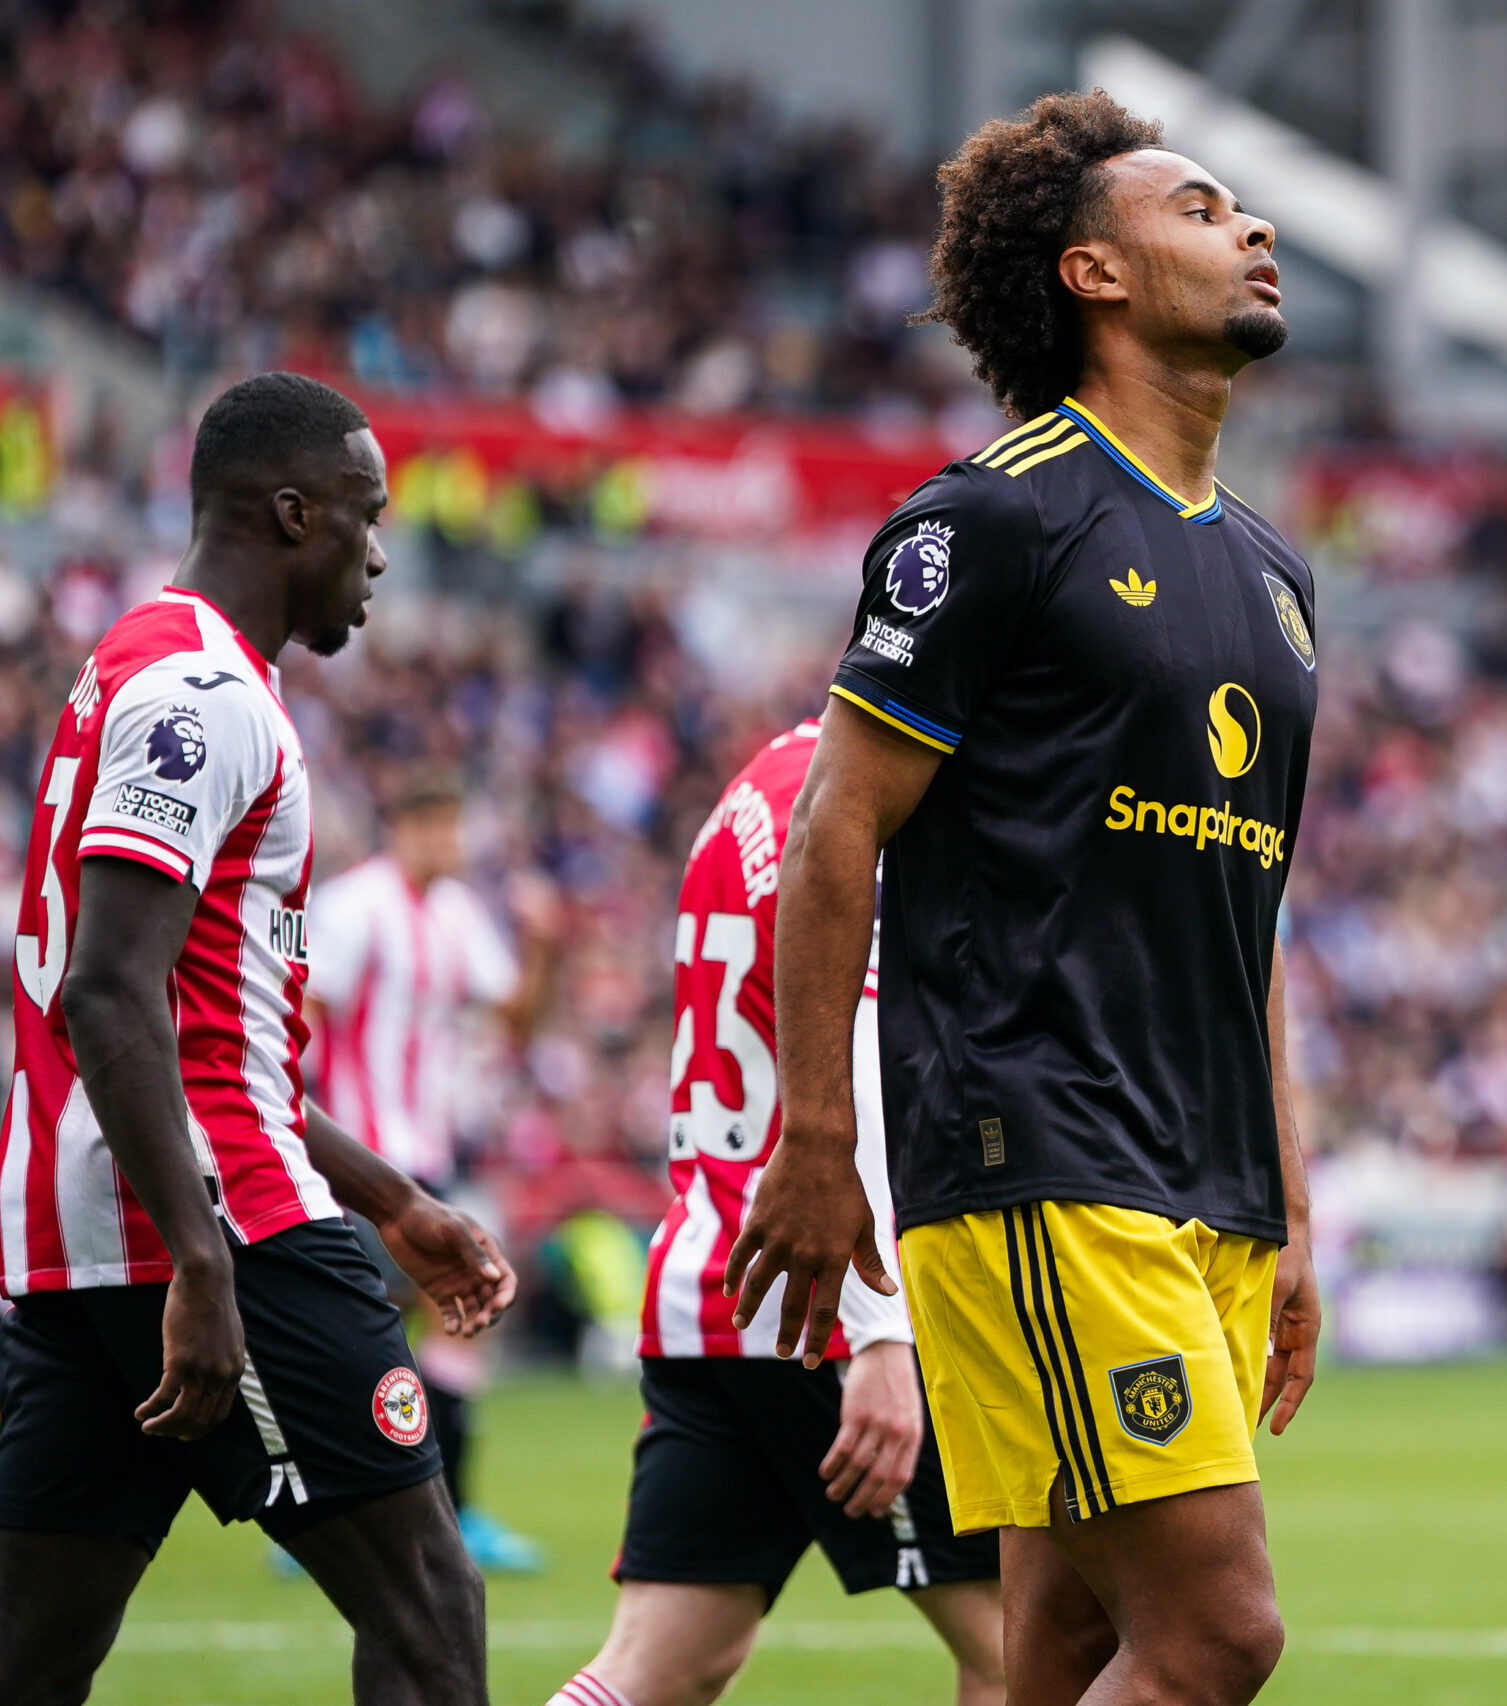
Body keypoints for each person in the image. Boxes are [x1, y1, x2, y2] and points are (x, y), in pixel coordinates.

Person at [724, 93, 1322, 1706]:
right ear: (1093, 274)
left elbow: (1241, 904)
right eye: (1201, 209)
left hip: (1201, 1175)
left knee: (1056, 1648)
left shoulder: (1275, 575)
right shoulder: (993, 515)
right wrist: (815, 1135)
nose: (1252, 229)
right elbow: (837, 827)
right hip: (1042, 1147)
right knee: (1213, 1637)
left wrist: (1292, 1204)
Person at [0, 373, 515, 1706]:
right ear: (294, 514)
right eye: (366, 514)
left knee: (24, 1663)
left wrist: (393, 1197)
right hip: (215, 1226)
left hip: (94, 1234)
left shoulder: (146, 662)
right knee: (430, 1608)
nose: (381, 551)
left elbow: (215, 1031)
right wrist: (203, 1260)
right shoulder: (201, 695)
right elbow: (108, 993)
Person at [547, 717, 1003, 1706]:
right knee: (1030, 1649)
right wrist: (884, 1336)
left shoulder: (752, 791)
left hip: (714, 1283)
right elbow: (864, 1057)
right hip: (830, 1297)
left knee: (658, 1667)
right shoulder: (861, 799)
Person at [306, 774, 560, 1573]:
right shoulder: (354, 908)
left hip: (431, 1160)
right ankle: (348, 1509)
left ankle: (443, 1504)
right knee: (397, 1317)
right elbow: (303, 1012)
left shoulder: (455, 915)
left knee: (454, 1315)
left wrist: (544, 945)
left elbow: (513, 1016)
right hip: (358, 1159)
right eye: (433, 825)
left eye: (454, 826)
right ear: (401, 825)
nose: (447, 843)